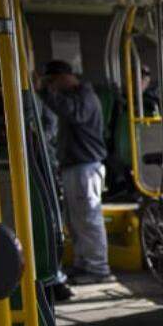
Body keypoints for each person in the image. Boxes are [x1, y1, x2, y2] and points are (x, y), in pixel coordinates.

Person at [38, 60, 113, 286]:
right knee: (76, 220)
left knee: (89, 219)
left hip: (86, 166)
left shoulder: (85, 98)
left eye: (53, 81)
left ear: (63, 77)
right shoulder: (76, 97)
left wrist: (45, 93)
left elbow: (70, 113)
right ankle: (84, 263)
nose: (53, 87)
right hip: (75, 166)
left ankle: (98, 267)